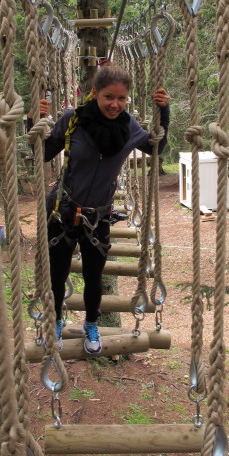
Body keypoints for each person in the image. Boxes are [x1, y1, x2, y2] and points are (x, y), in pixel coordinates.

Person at [30, 65, 170, 355]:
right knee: (56, 275)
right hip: (63, 209)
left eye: (121, 98)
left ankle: (91, 324)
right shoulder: (73, 120)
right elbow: (43, 153)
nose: (115, 104)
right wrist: (33, 120)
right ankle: (55, 323)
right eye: (108, 97)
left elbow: (158, 148)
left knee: (94, 277)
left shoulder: (129, 125)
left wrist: (163, 112)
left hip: (97, 215)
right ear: (94, 93)